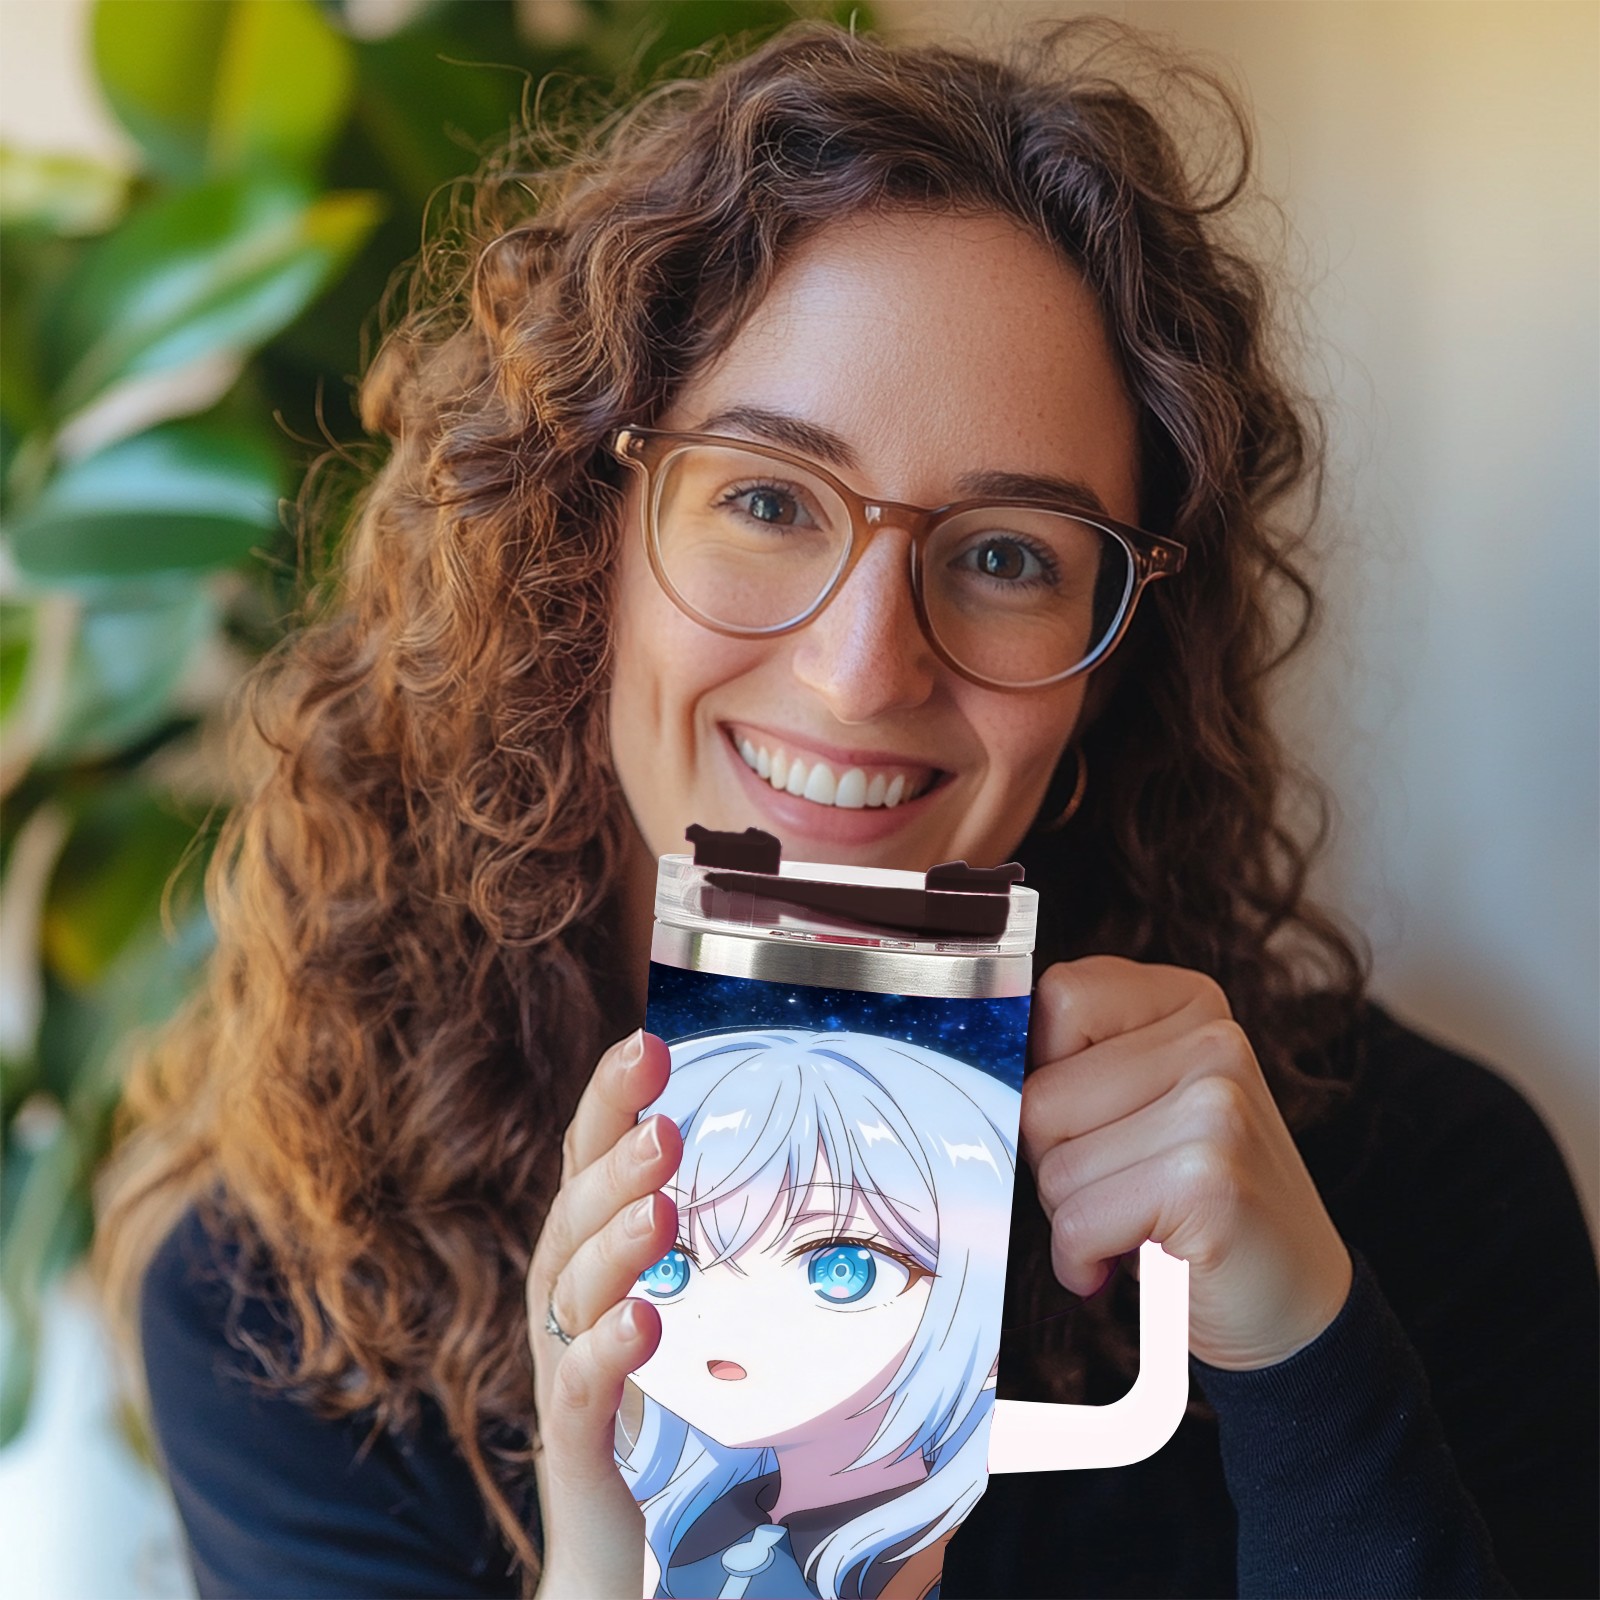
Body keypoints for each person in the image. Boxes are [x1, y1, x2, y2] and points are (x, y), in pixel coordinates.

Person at [95, 17, 1598, 1600]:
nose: (864, 671)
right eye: (765, 499)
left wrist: (1305, 1367)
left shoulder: (1420, 1193)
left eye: (1007, 553)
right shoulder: (292, 1300)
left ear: (1113, 662)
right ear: (580, 548)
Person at [619, 1029, 1020, 1599]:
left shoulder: (939, 1558)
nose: (724, 1326)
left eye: (844, 1271)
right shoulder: (704, 1517)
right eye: (669, 1265)